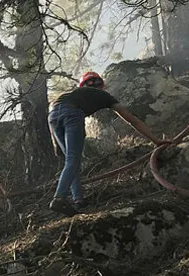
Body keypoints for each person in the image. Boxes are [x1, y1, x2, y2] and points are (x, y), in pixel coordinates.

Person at [48, 71, 166, 216]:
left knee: (71, 161)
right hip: (72, 114)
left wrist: (56, 144)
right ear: (101, 85)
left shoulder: (69, 94)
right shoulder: (105, 96)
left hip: (52, 115)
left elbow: (54, 109)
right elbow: (131, 119)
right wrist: (156, 140)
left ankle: (78, 200)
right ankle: (59, 198)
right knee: (73, 159)